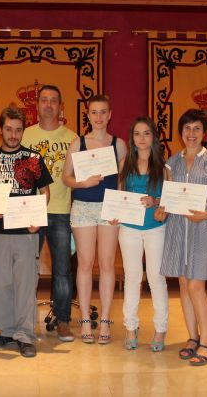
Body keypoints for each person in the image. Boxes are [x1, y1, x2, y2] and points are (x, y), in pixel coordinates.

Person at [160, 108, 207, 366]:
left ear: (204, 132)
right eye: (187, 129)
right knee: (183, 286)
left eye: (196, 129)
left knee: (196, 286)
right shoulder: (172, 162)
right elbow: (168, 198)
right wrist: (161, 209)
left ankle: (206, 341)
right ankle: (192, 337)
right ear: (180, 133)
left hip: (203, 224)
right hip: (178, 226)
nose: (191, 134)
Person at [0, 106, 52, 358]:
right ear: (0, 129)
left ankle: (24, 334)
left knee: (25, 284)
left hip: (26, 232)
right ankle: (6, 331)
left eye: (18, 130)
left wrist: (37, 218)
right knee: (0, 284)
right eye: (9, 129)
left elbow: (45, 192)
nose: (13, 134)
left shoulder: (34, 159)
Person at [62, 94, 127, 344]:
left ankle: (107, 321)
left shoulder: (119, 145)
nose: (98, 117)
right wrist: (83, 182)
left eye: (103, 112)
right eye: (94, 112)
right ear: (87, 115)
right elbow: (66, 178)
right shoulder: (77, 144)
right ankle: (86, 320)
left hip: (109, 209)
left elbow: (123, 180)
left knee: (108, 264)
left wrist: (120, 206)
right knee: (85, 264)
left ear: (110, 114)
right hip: (83, 208)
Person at [21, 85, 77, 342]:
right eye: (44, 100)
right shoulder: (25, 136)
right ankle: (24, 320)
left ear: (60, 105)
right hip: (30, 212)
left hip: (62, 212)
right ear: (37, 105)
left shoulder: (74, 139)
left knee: (63, 271)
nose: (49, 105)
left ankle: (63, 320)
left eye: (54, 101)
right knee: (26, 269)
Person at [114, 117, 168, 351]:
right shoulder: (126, 162)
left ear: (153, 137)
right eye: (137, 134)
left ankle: (160, 329)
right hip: (129, 229)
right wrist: (116, 212)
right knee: (133, 278)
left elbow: (168, 203)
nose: (142, 138)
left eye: (147, 133)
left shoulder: (163, 168)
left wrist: (156, 202)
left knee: (156, 279)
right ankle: (130, 327)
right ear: (132, 138)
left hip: (155, 229)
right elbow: (120, 192)